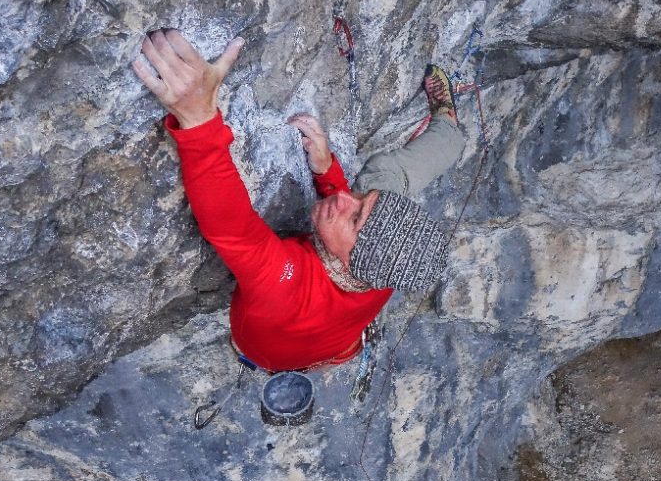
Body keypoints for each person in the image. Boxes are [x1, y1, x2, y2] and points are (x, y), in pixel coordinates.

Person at [132, 29, 464, 373]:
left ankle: (438, 148)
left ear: (352, 262)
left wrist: (198, 120)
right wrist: (327, 172)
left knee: (380, 176)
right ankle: (450, 132)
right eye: (363, 199)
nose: (345, 197)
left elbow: (232, 228)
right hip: (334, 336)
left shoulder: (286, 287)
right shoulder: (386, 270)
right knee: (385, 177)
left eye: (355, 218)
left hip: (273, 343)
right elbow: (356, 207)